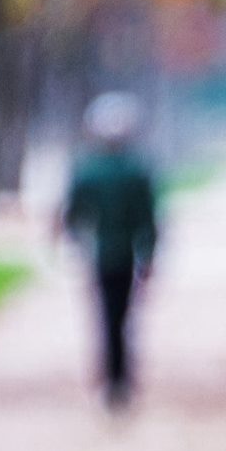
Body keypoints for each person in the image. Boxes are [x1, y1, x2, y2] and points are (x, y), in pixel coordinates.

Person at [63, 93, 161, 407]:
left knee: (108, 315)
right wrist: (148, 257)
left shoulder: (88, 170)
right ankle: (119, 376)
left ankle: (113, 375)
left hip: (102, 255)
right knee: (122, 316)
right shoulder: (137, 171)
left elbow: (73, 215)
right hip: (127, 255)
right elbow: (148, 221)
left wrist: (76, 242)